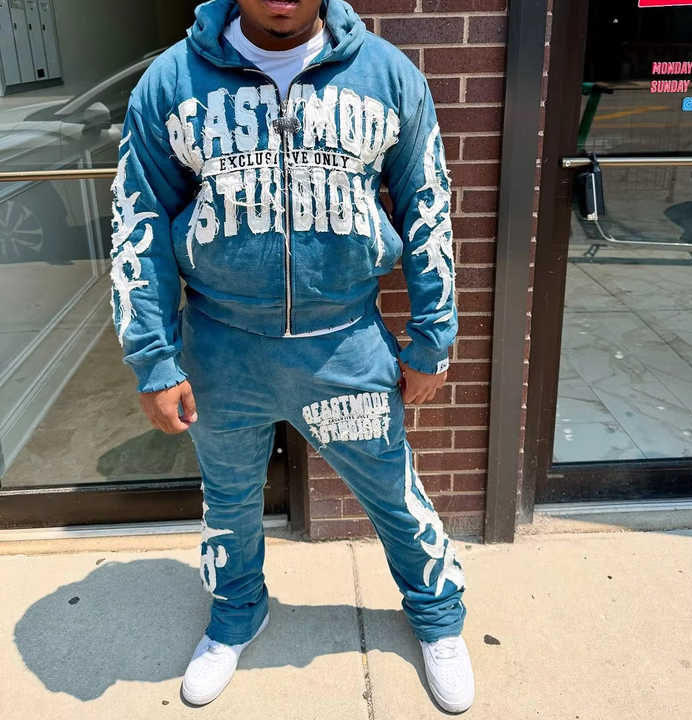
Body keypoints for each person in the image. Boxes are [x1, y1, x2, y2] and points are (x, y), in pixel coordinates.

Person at [109, 0, 473, 711]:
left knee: (392, 493)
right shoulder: (172, 82)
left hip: (344, 346)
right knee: (230, 502)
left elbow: (428, 207)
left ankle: (437, 615)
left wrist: (433, 336)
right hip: (222, 350)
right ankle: (236, 613)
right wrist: (152, 358)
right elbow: (139, 221)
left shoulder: (387, 76)